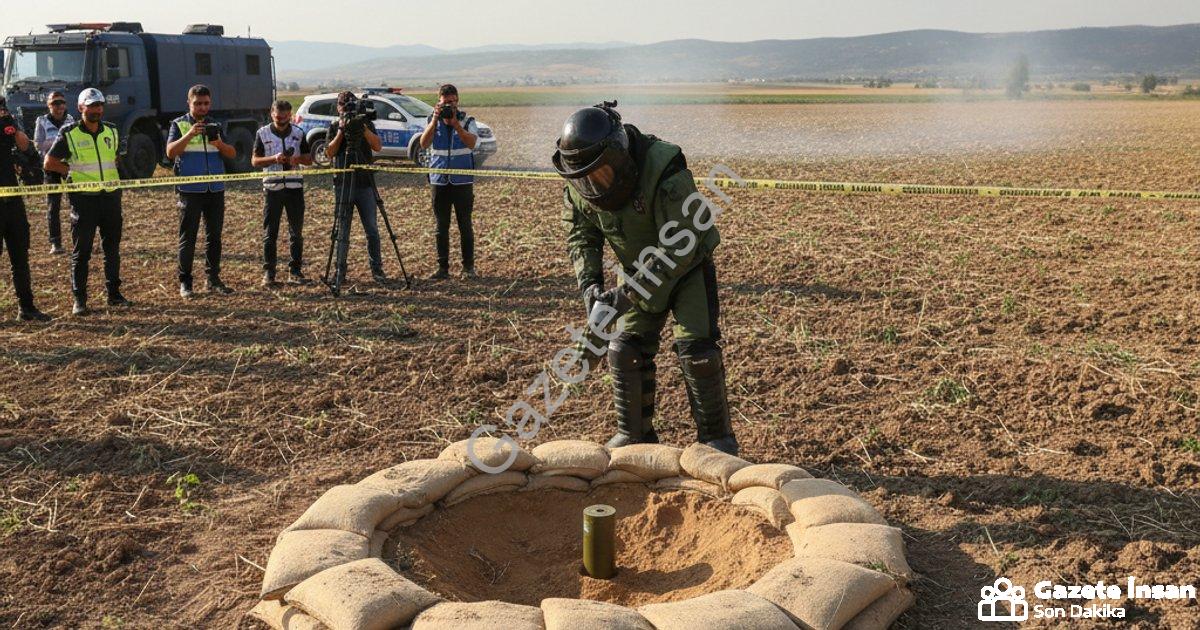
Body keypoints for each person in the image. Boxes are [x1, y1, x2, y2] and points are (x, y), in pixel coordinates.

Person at [554, 101, 738, 455]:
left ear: (620, 156)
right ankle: (635, 435)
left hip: (686, 271)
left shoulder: (664, 167)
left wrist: (625, 297)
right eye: (583, 179)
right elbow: (581, 237)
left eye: (600, 175)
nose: (592, 186)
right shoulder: (579, 184)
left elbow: (681, 245)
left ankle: (716, 441)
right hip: (636, 277)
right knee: (624, 351)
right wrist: (590, 287)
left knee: (697, 352)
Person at [43, 88, 130, 316]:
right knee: (82, 252)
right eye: (91, 105)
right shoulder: (69, 133)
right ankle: (79, 300)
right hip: (84, 201)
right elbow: (49, 163)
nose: (97, 109)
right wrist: (69, 172)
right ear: (81, 108)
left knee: (112, 249)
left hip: (110, 198)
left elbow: (115, 158)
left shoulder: (111, 130)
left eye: (99, 105)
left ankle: (114, 294)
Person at [165, 84, 236, 298]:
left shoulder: (217, 124)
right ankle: (185, 282)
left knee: (214, 237)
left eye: (206, 103)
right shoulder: (178, 124)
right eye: (198, 104)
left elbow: (232, 153)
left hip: (215, 189)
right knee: (188, 238)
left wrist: (218, 143)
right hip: (190, 190)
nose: (202, 108)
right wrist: (189, 135)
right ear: (189, 103)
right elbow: (170, 153)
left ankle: (213, 279)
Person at [418, 83, 478, 280]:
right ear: (439, 102)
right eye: (445, 103)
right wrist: (435, 120)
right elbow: (424, 143)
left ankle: (468, 268)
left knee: (465, 226)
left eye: (453, 102)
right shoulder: (431, 120)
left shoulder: (468, 120)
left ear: (457, 101)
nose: (450, 106)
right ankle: (442, 268)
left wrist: (456, 125)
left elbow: (471, 143)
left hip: (462, 181)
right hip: (439, 181)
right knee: (440, 227)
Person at [324, 91, 385, 282]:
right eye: (344, 106)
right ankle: (339, 271)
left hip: (365, 183)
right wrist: (342, 130)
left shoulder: (367, 123)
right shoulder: (334, 126)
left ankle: (377, 270)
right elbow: (329, 152)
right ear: (338, 108)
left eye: (350, 106)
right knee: (342, 230)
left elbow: (377, 146)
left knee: (372, 230)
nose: (347, 109)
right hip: (343, 183)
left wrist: (363, 127)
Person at [251, 100, 313, 286]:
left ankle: (295, 271)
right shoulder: (262, 133)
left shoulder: (299, 133)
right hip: (272, 188)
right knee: (270, 233)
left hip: (295, 187)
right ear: (272, 114)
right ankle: (269, 273)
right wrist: (273, 159)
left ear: (290, 115)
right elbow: (254, 161)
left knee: (296, 233)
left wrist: (296, 159)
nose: (282, 121)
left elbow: (309, 159)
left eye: (286, 117)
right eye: (279, 117)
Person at [0, 98, 51, 321]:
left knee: (20, 256)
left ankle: (27, 307)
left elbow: (24, 145)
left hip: (12, 198)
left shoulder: (6, 125)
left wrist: (11, 125)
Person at [33, 92, 74, 254]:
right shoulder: (41, 121)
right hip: (50, 166)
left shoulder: (71, 120)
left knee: (76, 203)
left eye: (62, 102)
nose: (59, 106)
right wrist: (55, 142)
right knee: (53, 205)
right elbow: (38, 144)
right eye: (55, 103)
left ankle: (78, 238)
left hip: (69, 165)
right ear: (49, 106)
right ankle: (55, 243)